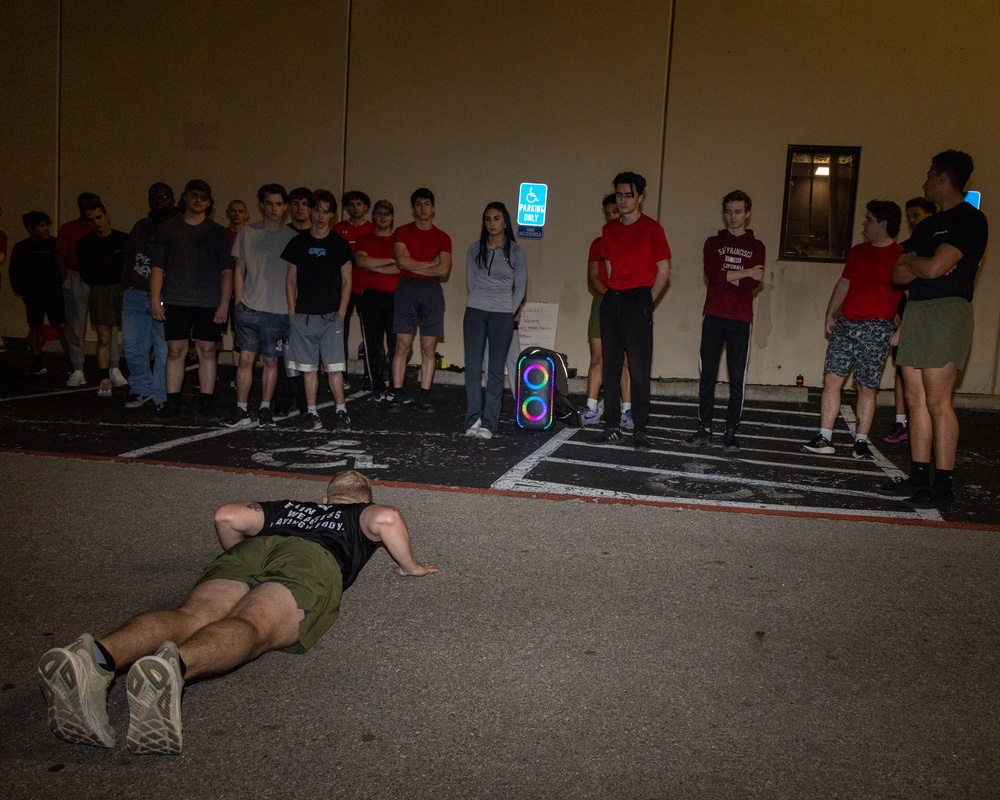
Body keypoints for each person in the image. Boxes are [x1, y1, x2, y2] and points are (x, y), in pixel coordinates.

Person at [37, 469, 438, 756]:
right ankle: (172, 669)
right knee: (251, 624)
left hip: (255, 549)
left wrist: (239, 564)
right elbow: (388, 518)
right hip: (310, 562)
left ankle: (96, 657)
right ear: (362, 498)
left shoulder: (289, 506)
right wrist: (411, 567)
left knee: (192, 615)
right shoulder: (359, 514)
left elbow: (226, 516)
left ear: (326, 497)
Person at [882, 150, 989, 509]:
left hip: (947, 312)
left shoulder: (970, 220)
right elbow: (899, 275)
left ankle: (943, 486)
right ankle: (918, 479)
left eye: (929, 175)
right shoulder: (927, 226)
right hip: (917, 313)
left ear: (943, 178)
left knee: (937, 401)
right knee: (914, 401)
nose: (924, 181)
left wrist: (918, 264)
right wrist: (917, 261)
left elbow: (930, 270)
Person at [802, 200, 903, 459]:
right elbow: (844, 284)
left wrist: (901, 331)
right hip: (847, 324)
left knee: (866, 387)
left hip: (877, 328)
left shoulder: (901, 256)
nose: (863, 223)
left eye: (868, 219)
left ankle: (860, 442)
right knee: (831, 380)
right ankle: (824, 436)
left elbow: (913, 296)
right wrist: (830, 313)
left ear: (883, 224)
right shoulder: (858, 251)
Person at [591, 171, 671, 449]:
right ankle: (611, 425)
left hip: (638, 300)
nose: (623, 201)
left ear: (640, 197)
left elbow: (664, 270)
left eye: (628, 195)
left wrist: (647, 300)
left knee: (638, 370)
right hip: (614, 299)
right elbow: (610, 270)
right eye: (619, 195)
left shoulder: (652, 229)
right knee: (611, 368)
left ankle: (639, 429)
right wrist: (616, 294)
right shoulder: (609, 230)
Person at [682, 190, 765, 453]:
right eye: (728, 211)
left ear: (748, 213)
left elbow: (753, 282)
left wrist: (732, 275)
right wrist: (745, 271)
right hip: (714, 315)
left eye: (738, 211)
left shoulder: (757, 246)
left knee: (736, 378)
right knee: (707, 375)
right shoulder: (713, 242)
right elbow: (713, 275)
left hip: (741, 319)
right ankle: (704, 428)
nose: (733, 217)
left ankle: (731, 431)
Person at [149, 179, 233, 421]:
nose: (198, 200)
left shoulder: (217, 232)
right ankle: (171, 405)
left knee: (207, 351)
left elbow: (227, 270)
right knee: (175, 351)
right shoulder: (167, 229)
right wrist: (156, 300)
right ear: (184, 197)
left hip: (209, 301)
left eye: (203, 197)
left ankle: (206, 406)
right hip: (176, 299)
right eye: (194, 195)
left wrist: (225, 302)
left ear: (209, 203)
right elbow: (157, 267)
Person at [223, 185, 296, 428]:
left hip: (279, 310)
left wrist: (291, 308)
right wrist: (239, 302)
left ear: (284, 207)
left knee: (271, 361)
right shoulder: (247, 232)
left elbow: (295, 278)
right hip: (249, 308)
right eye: (269, 203)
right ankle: (241, 409)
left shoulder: (292, 237)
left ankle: (265, 407)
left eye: (278, 204)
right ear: (261, 205)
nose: (274, 208)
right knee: (244, 358)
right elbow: (238, 268)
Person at [281, 189, 353, 431]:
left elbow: (347, 281)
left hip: (332, 316)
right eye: (317, 210)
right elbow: (290, 279)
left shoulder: (340, 245)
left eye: (326, 212)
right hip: (303, 317)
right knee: (308, 369)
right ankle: (312, 414)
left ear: (332, 214)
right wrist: (292, 313)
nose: (321, 216)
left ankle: (341, 412)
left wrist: (341, 313)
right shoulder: (297, 243)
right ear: (310, 210)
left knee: (334, 368)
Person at [463, 202, 527, 439]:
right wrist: (478, 302)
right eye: (488, 219)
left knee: (495, 371)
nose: (492, 224)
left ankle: (489, 422)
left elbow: (519, 288)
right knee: (472, 367)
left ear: (505, 222)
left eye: (497, 219)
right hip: (475, 311)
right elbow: (471, 282)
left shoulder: (516, 252)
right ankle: (472, 419)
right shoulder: (474, 249)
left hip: (502, 314)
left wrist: (507, 311)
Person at [389, 188, 452, 412]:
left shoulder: (442, 236)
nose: (423, 208)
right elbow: (401, 263)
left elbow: (443, 270)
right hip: (407, 289)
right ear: (413, 208)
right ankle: (397, 395)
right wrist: (430, 264)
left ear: (433, 208)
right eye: (418, 204)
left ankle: (424, 397)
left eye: (427, 203)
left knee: (428, 348)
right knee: (402, 345)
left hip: (432, 292)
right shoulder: (402, 231)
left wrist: (415, 262)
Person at [883, 197, 937, 444]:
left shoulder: (941, 246)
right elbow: (896, 282)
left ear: (930, 216)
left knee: (929, 372)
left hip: (930, 315)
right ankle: (901, 421)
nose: (912, 221)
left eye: (916, 215)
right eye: (909, 217)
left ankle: (925, 421)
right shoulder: (904, 248)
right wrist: (894, 311)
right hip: (904, 315)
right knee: (901, 372)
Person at [122, 183, 177, 410]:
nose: (158, 200)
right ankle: (139, 389)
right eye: (153, 196)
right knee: (132, 346)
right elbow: (129, 258)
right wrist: (126, 286)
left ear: (173, 200)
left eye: (164, 197)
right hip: (135, 292)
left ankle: (161, 395)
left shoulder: (178, 227)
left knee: (164, 348)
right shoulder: (141, 226)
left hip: (165, 294)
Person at [58, 192, 121, 387]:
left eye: (97, 214)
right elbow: (60, 254)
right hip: (77, 276)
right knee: (76, 325)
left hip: (103, 282)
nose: (95, 221)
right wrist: (65, 279)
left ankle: (113, 367)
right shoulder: (69, 228)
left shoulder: (109, 232)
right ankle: (77, 368)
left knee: (108, 327)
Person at [582, 194, 632, 429]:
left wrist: (623, 298)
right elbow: (593, 277)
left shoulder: (632, 241)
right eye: (608, 214)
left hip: (627, 304)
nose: (612, 217)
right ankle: (591, 409)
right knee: (598, 358)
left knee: (624, 361)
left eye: (616, 212)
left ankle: (627, 411)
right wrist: (611, 295)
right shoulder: (597, 243)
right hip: (603, 302)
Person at [7, 211, 72, 374]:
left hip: (55, 292)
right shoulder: (22, 247)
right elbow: (14, 271)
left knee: (62, 325)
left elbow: (65, 265)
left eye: (47, 225)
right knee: (35, 325)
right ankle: (37, 359)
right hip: (34, 293)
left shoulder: (55, 244)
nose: (46, 229)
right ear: (30, 228)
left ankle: (71, 360)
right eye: (41, 226)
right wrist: (21, 290)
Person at [76, 202, 129, 398]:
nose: (97, 223)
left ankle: (138, 377)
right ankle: (104, 379)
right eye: (91, 220)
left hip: (123, 289)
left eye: (99, 217)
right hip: (99, 290)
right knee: (104, 337)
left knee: (132, 337)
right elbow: (84, 271)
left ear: (107, 216)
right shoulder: (85, 243)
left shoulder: (123, 239)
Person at [355, 199, 401, 401]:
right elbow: (362, 261)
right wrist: (391, 261)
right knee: (373, 344)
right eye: (379, 213)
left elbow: (402, 267)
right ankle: (377, 385)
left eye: (387, 214)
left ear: (392, 217)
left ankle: (394, 384)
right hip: (370, 297)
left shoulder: (398, 241)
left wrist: (374, 267)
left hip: (395, 298)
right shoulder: (364, 239)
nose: (383, 217)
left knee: (396, 344)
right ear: (373, 215)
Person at [333, 191, 374, 380]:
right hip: (342, 287)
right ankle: (341, 375)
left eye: (359, 204)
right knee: (341, 330)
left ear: (366, 207)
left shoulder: (373, 229)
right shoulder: (338, 229)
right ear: (345, 207)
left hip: (366, 287)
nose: (355, 207)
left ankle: (370, 374)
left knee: (370, 332)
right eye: (351, 204)